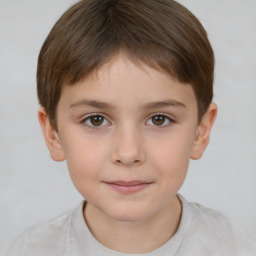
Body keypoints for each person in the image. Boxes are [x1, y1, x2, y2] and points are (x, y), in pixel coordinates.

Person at [6, 0, 256, 255]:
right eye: (96, 120)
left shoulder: (235, 247)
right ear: (53, 133)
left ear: (200, 131)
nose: (128, 153)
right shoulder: (31, 250)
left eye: (159, 119)